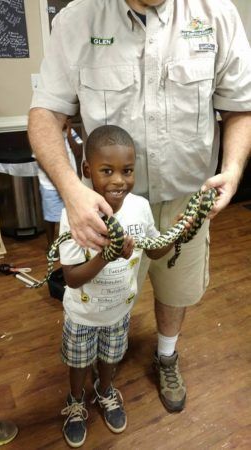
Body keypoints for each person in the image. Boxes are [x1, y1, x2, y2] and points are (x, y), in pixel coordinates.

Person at [28, 0, 251, 415]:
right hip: (105, 208)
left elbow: (240, 107)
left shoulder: (217, 14)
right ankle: (89, 376)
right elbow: (44, 115)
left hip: (185, 197)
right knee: (101, 292)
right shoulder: (78, 19)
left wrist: (233, 170)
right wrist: (72, 192)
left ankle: (166, 355)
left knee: (177, 287)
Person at [59, 124, 190, 448]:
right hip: (83, 314)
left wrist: (175, 234)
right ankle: (77, 401)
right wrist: (107, 255)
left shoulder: (139, 207)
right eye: (107, 170)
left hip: (119, 311)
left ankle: (105, 391)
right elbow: (71, 278)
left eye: (127, 171)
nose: (119, 180)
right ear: (88, 170)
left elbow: (154, 248)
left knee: (110, 359)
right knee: (78, 364)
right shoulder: (76, 214)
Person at [37, 120, 83, 255]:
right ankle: (51, 244)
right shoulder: (43, 133)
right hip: (50, 184)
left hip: (70, 183)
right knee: (51, 216)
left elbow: (78, 152)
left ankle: (73, 241)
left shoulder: (70, 132)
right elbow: (40, 160)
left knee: (72, 213)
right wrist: (57, 182)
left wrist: (68, 133)